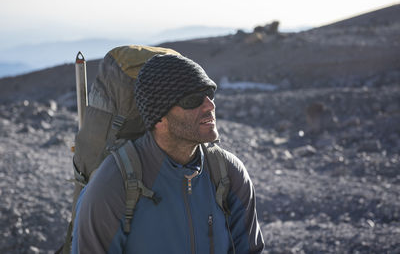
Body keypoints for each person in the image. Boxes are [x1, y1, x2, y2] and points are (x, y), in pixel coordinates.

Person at [71, 54, 264, 253]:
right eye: (193, 100)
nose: (210, 105)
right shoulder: (113, 183)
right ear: (159, 117)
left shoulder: (228, 172)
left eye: (209, 94)